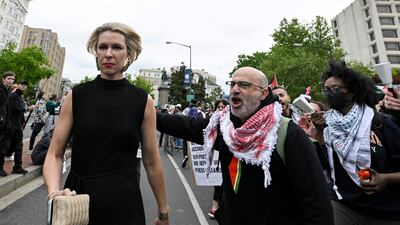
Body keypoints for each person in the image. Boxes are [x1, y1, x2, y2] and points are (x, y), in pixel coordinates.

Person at [157, 67, 333, 225]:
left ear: (263, 93)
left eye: (244, 85)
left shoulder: (288, 134)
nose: (234, 89)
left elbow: (315, 201)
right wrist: (147, 112)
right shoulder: (225, 127)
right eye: (232, 84)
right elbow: (185, 125)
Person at [43, 22, 169, 225]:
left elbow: (152, 161)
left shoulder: (143, 101)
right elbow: (55, 153)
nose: (108, 54)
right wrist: (54, 192)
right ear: (96, 52)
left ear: (129, 53)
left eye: (117, 47)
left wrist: (163, 212)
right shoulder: (76, 96)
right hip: (77, 201)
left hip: (124, 204)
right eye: (103, 47)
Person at [317, 61, 400, 225]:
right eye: (326, 90)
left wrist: (386, 179)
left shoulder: (380, 122)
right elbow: (326, 165)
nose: (329, 93)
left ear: (352, 92)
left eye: (335, 89)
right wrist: (319, 132)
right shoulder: (328, 126)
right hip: (345, 205)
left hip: (387, 210)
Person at [1, 80, 35, 175]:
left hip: (18, 126)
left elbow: (20, 114)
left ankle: (17, 167)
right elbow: (14, 109)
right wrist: (27, 108)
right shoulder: (12, 96)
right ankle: (0, 168)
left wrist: (23, 122)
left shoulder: (20, 97)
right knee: (4, 147)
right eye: (22, 84)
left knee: (19, 147)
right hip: (10, 125)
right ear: (18, 85)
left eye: (25, 85)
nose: (24, 86)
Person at [208, 99, 229, 219]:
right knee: (217, 180)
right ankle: (215, 204)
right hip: (216, 154)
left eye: (223, 106)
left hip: (228, 155)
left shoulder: (231, 121)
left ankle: (223, 205)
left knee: (226, 181)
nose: (220, 108)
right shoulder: (211, 121)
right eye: (218, 107)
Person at [0, 71, 16, 176]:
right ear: (3, 79)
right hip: (1, 122)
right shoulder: (1, 90)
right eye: (9, 78)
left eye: (12, 79)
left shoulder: (7, 91)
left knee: (2, 147)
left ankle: (0, 168)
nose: (10, 81)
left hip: (5, 123)